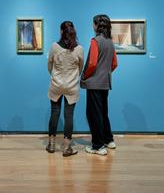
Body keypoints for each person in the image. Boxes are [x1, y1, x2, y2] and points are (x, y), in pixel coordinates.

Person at [80, 14, 118, 156]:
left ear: (96, 25)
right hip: (105, 83)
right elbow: (114, 64)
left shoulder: (95, 41)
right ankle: (109, 140)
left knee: (93, 114)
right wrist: (105, 73)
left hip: (94, 84)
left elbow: (91, 63)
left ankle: (98, 146)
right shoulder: (110, 42)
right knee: (103, 113)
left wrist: (85, 76)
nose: (92, 26)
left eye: (93, 24)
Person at [46, 21, 84, 157]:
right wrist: (72, 78)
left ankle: (51, 145)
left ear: (61, 31)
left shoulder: (54, 47)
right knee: (69, 116)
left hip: (56, 84)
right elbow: (81, 67)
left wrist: (56, 75)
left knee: (54, 113)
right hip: (72, 86)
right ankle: (67, 148)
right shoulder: (79, 48)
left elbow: (49, 65)